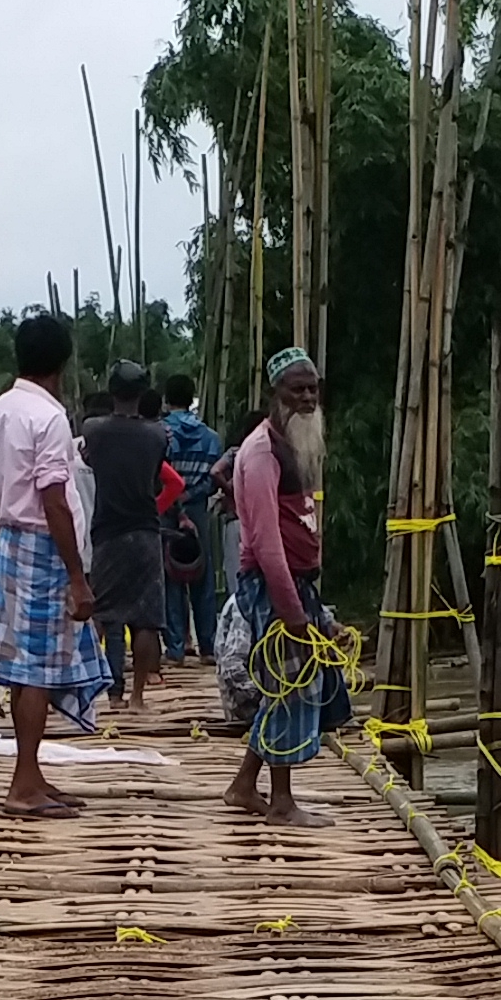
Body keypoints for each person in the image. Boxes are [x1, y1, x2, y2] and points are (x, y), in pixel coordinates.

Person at [0, 309, 108, 813]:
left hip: (12, 541)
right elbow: (54, 498)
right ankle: (24, 785)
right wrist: (78, 577)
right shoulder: (49, 418)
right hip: (43, 546)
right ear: (61, 363)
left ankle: (29, 773)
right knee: (33, 669)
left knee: (23, 667)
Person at [221, 348, 332, 823]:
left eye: (312, 388)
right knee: (288, 687)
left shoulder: (292, 445)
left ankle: (244, 785)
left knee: (288, 686)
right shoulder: (263, 453)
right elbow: (267, 546)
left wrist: (317, 611)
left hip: (294, 582)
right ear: (275, 394)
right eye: (296, 389)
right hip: (272, 584)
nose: (307, 398)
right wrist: (295, 617)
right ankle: (282, 803)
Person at [79, 361, 174, 709]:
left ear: (111, 390)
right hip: (146, 530)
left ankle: (88, 690)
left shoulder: (94, 429)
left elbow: (88, 458)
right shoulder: (157, 434)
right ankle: (136, 697)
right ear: (142, 393)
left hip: (107, 530)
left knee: (102, 613)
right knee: (146, 618)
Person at [157, 372, 223, 664]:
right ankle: (208, 646)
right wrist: (192, 495)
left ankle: (175, 648)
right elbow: (215, 480)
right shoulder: (211, 438)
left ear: (166, 400)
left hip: (165, 506)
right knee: (202, 575)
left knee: (169, 575)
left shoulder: (160, 433)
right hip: (198, 507)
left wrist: (175, 499)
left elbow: (156, 476)